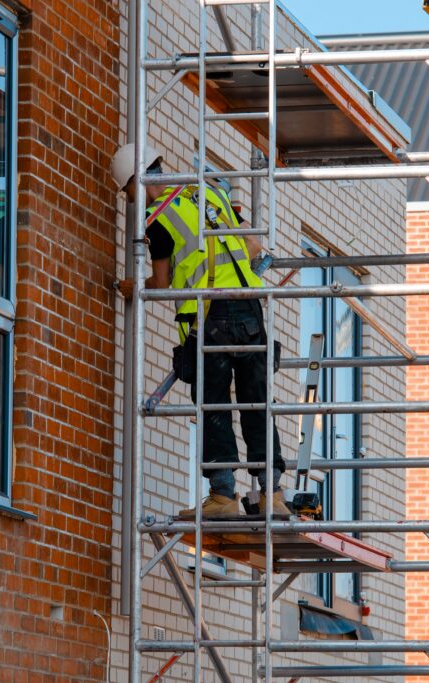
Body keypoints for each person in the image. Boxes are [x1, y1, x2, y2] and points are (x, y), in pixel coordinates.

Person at [112, 142, 287, 519]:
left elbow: (161, 282)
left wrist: (134, 286)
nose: (130, 201)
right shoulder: (209, 190)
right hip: (250, 309)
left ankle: (223, 497)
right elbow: (253, 244)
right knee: (257, 402)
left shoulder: (158, 220)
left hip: (212, 319)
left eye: (128, 192)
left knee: (214, 406)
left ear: (138, 182)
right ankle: (271, 494)